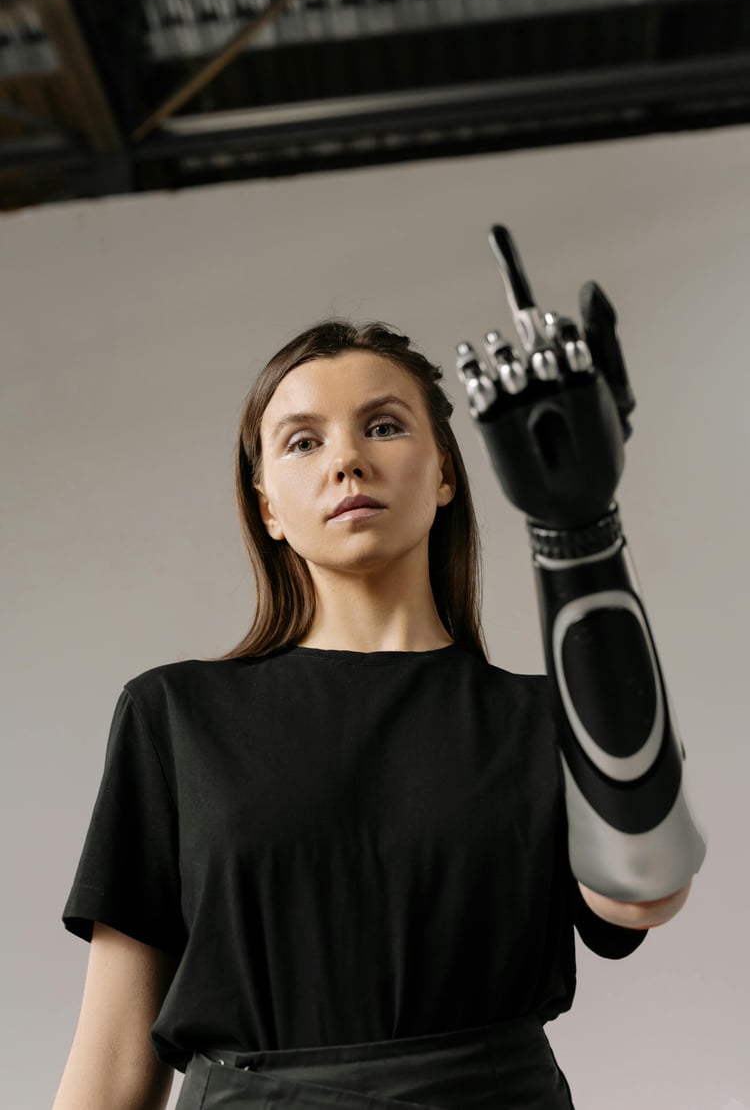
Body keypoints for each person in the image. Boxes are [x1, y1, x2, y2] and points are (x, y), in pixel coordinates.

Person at [54, 319, 690, 1110]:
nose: (347, 458)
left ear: (446, 473)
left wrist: (581, 532)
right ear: (269, 508)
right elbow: (114, 1060)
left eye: (384, 426)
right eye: (301, 443)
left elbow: (643, 891)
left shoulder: (544, 721)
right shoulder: (173, 717)